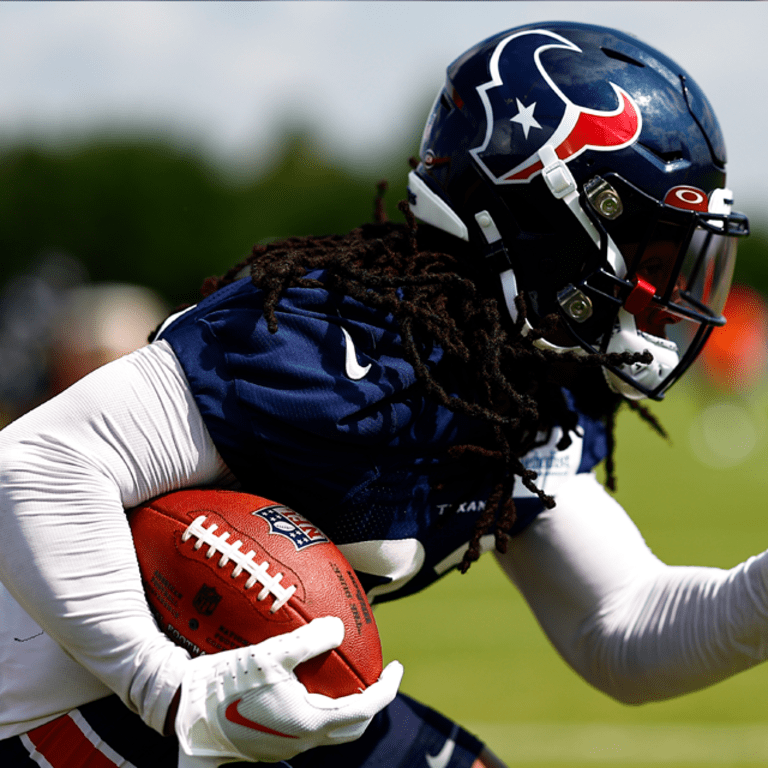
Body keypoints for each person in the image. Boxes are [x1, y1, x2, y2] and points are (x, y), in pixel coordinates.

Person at [0, 20, 759, 768]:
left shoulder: (524, 384)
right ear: (562, 217)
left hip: (230, 677)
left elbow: (622, 626)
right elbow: (37, 465)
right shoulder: (344, 346)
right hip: (62, 696)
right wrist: (169, 689)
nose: (671, 294)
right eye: (656, 253)